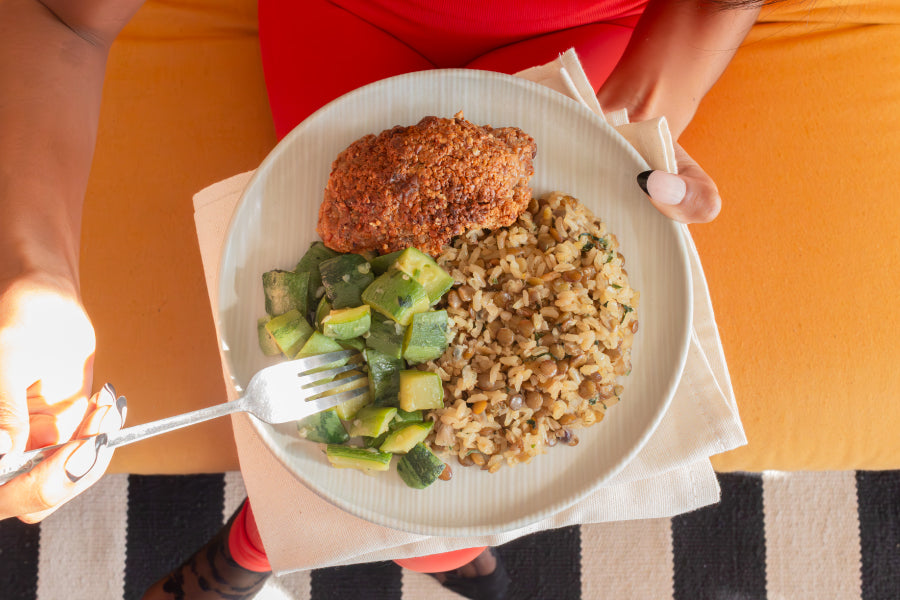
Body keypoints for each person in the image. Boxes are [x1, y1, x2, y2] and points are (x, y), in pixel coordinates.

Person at [0, 0, 761, 597]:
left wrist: (647, 110)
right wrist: (36, 276)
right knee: (407, 507)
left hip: (593, 26)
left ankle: (256, 548)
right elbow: (59, 12)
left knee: (394, 499)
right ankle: (431, 556)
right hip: (341, 15)